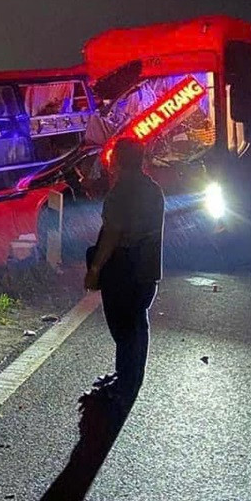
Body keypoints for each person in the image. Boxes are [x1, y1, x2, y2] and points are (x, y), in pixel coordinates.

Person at [84, 138, 165, 416]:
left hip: (123, 270)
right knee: (137, 324)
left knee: (122, 327)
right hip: (148, 270)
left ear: (117, 161)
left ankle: (124, 386)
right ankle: (128, 378)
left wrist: (95, 269)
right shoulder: (153, 190)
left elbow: (112, 235)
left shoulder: (120, 193)